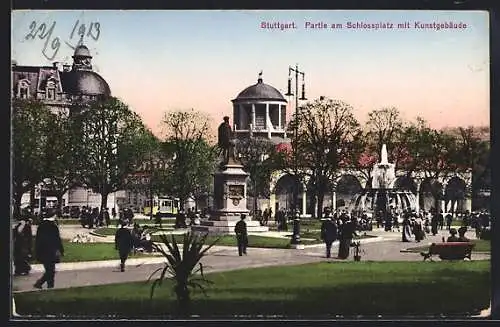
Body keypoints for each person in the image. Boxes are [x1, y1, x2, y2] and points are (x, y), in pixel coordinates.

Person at [33, 214, 64, 289]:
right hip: (51, 251)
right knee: (51, 270)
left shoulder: (41, 226)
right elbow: (57, 240)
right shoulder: (53, 227)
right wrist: (61, 250)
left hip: (42, 251)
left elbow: (38, 239)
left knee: (50, 270)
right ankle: (47, 285)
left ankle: (44, 284)